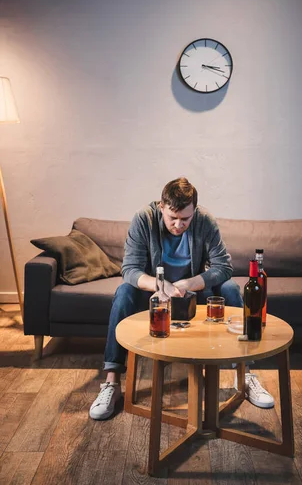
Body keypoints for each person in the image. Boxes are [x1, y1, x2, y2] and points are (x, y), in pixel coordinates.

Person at [89, 177, 274, 420]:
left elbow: (224, 267)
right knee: (123, 292)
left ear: (194, 211)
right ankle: (111, 383)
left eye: (185, 219)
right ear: (161, 207)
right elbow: (130, 270)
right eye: (172, 218)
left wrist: (188, 283)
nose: (178, 225)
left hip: (193, 291)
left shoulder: (204, 220)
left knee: (229, 288)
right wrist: (160, 285)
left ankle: (246, 374)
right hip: (153, 292)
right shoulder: (143, 218)